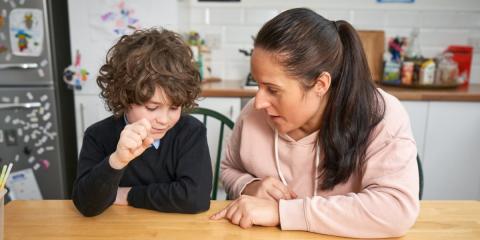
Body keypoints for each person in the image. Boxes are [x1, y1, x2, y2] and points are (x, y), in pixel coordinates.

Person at [210, 8, 419, 238]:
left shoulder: (381, 114)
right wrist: (251, 186)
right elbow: (229, 168)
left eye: (272, 89)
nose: (258, 102)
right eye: (258, 85)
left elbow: (396, 209)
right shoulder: (253, 115)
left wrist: (282, 212)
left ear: (320, 84)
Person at [72, 28, 212, 217]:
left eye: (174, 107)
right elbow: (87, 206)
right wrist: (117, 161)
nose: (163, 120)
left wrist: (128, 194)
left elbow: (196, 198)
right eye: (152, 108)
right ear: (125, 98)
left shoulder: (191, 132)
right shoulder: (98, 136)